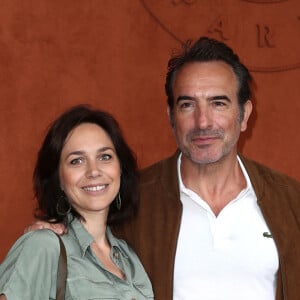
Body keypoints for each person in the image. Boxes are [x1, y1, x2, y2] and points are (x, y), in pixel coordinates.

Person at [25, 37, 300, 300]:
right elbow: (78, 247)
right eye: (187, 105)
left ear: (244, 115)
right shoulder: (129, 201)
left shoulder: (290, 202)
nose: (203, 122)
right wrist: (51, 238)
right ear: (171, 117)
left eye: (218, 103)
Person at [0, 105, 154, 300]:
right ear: (59, 180)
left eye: (105, 157)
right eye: (77, 161)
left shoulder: (128, 257)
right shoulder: (43, 246)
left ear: (120, 169)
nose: (94, 171)